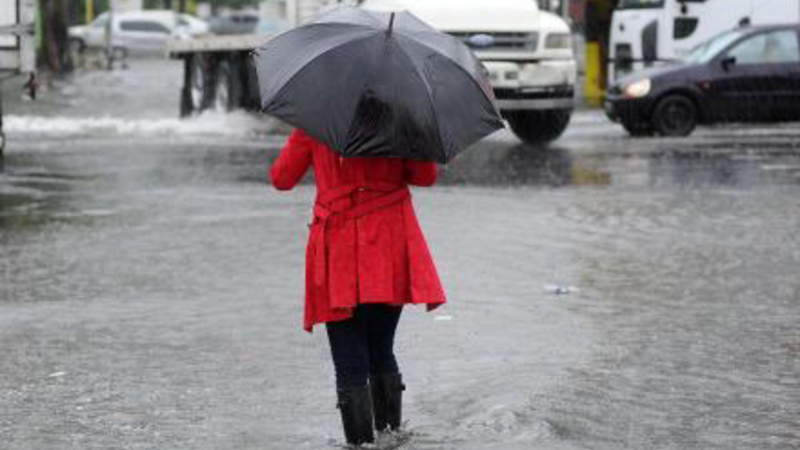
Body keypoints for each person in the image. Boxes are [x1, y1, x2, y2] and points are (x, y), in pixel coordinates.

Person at [269, 128, 446, 446]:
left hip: (339, 246)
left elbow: (282, 178)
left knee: (349, 356)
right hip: (390, 240)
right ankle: (391, 438)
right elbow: (425, 176)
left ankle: (360, 444)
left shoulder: (316, 120)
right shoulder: (399, 117)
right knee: (381, 348)